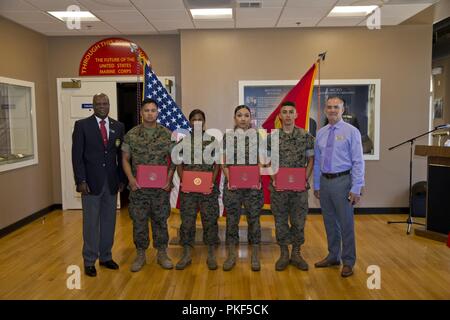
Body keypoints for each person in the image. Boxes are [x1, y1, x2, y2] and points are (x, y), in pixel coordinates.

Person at [72, 93, 126, 277]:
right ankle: (89, 260)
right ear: (93, 106)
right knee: (91, 224)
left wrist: (121, 179)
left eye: (105, 103)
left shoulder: (118, 126)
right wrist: (81, 180)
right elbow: (77, 157)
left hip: (111, 183)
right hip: (90, 184)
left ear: (109, 105)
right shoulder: (82, 126)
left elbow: (120, 156)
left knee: (109, 222)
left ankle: (105, 257)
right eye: (98, 103)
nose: (102, 106)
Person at [313, 96, 365, 278]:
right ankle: (333, 256)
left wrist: (357, 187)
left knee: (346, 223)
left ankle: (348, 261)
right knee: (329, 222)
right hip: (325, 183)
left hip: (343, 182)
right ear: (325, 110)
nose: (332, 110)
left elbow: (358, 161)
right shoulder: (321, 133)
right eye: (329, 107)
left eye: (336, 107)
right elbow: (318, 161)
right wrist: (317, 185)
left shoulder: (351, 132)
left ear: (343, 110)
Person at [122, 98, 175, 272]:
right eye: (146, 110)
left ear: (157, 112)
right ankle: (140, 254)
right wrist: (131, 179)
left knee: (160, 221)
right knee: (139, 222)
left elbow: (174, 160)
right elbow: (125, 159)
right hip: (139, 189)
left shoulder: (167, 134)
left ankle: (162, 253)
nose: (150, 113)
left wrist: (168, 180)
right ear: (141, 112)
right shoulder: (132, 134)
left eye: (153, 110)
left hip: (160, 189)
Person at [269, 101, 314, 271]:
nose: (287, 115)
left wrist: (304, 178)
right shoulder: (271, 138)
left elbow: (311, 160)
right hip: (278, 188)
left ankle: (296, 252)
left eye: (291, 112)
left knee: (298, 221)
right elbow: (266, 161)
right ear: (279, 116)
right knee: (280, 221)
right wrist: (274, 178)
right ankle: (283, 253)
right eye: (284, 112)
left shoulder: (305, 136)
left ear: (296, 115)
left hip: (298, 189)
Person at [175, 109, 220, 270]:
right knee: (187, 222)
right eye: (194, 120)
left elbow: (217, 165)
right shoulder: (183, 142)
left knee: (210, 221)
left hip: (207, 189)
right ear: (190, 122)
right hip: (189, 190)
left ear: (204, 121)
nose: (197, 122)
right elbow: (178, 164)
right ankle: (186, 253)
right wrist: (183, 181)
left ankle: (211, 254)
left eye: (200, 119)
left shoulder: (212, 141)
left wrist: (212, 182)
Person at [222, 105, 264, 272]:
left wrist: (258, 178)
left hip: (252, 187)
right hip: (233, 187)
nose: (243, 118)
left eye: (246, 115)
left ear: (250, 118)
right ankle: (231, 254)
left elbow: (261, 161)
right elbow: (224, 162)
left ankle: (255, 255)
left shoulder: (257, 137)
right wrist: (230, 179)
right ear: (235, 118)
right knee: (232, 220)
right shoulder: (227, 137)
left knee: (254, 220)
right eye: (239, 115)